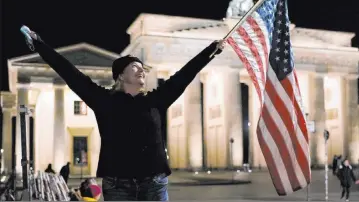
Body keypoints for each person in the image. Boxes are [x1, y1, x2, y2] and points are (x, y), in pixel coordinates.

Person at [21, 26, 225, 201]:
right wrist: (40, 45)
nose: (141, 71)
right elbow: (70, 74)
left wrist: (210, 51)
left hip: (154, 184)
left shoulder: (156, 100)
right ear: (120, 75)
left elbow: (184, 75)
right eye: (135, 67)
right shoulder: (103, 100)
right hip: (118, 187)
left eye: (143, 68)